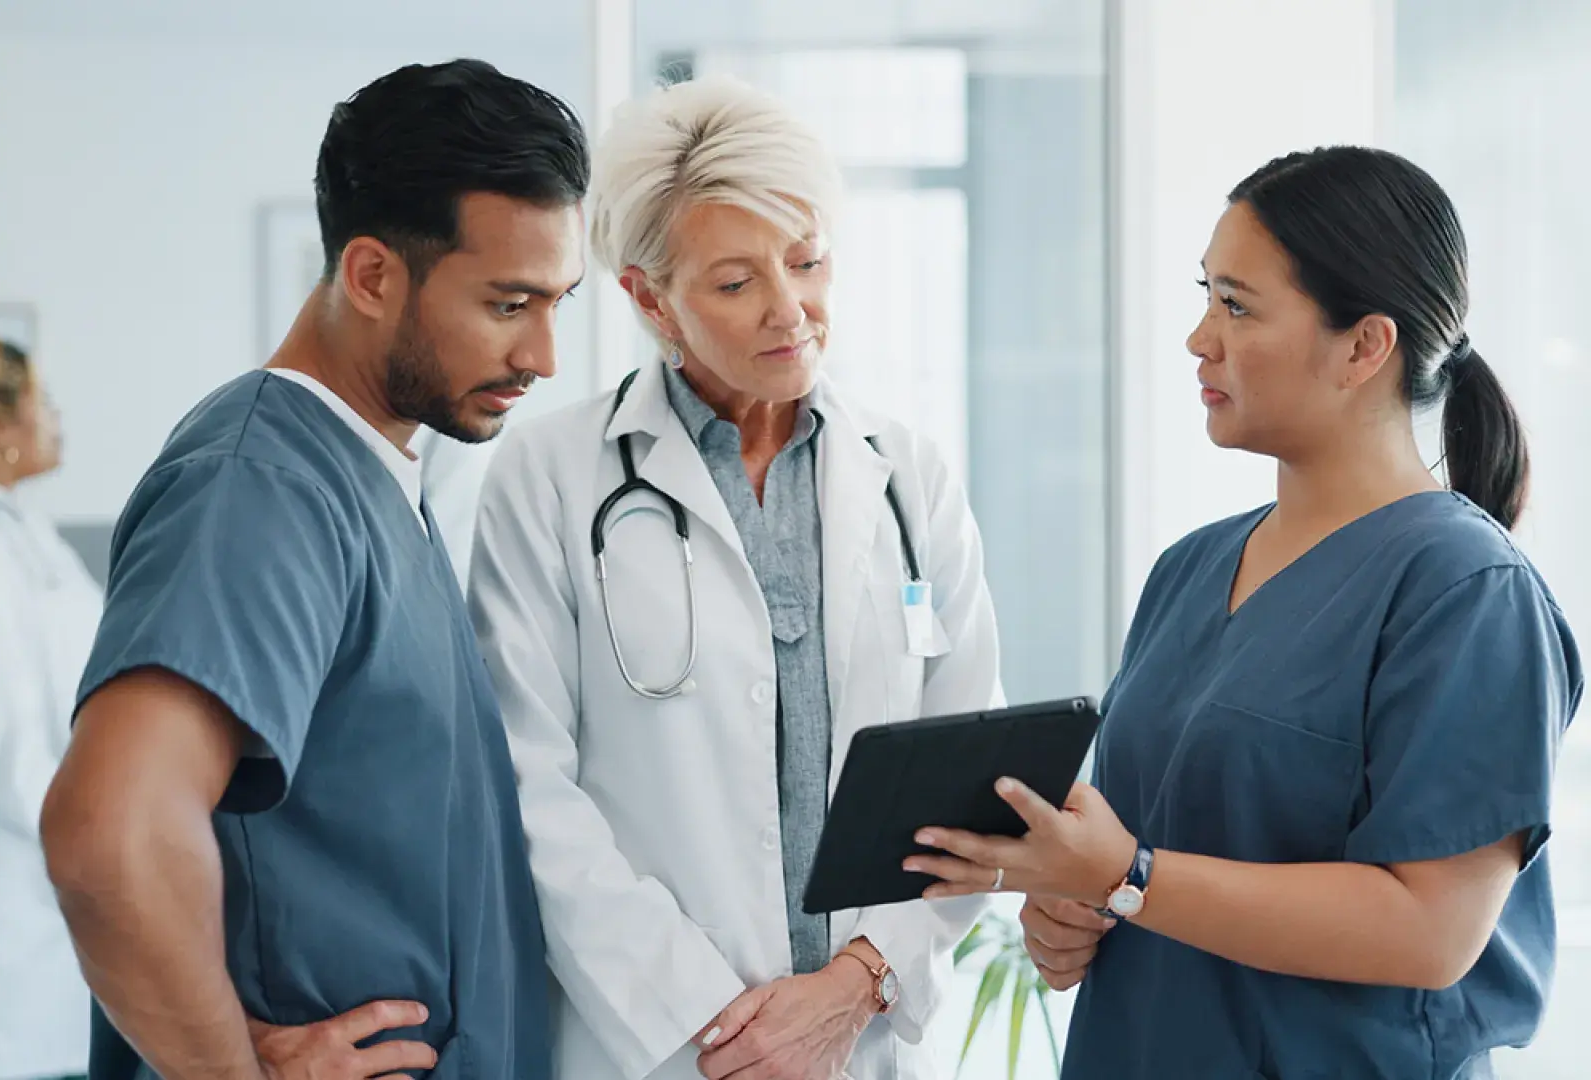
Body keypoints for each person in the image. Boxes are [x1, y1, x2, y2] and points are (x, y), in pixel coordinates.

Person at [905, 146, 1583, 1078]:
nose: (1199, 338)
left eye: (1237, 305)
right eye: (1205, 297)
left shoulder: (1465, 592)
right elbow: (1153, 857)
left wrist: (1130, 879)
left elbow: (1432, 931)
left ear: (1364, 346)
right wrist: (1074, 909)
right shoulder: (1190, 569)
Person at [36, 59, 589, 1080]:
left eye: (558, 301)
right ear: (374, 275)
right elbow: (109, 832)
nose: (545, 354)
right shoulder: (261, 488)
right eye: (509, 304)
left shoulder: (377, 478)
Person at [466, 76, 1005, 1080]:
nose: (789, 309)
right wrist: (725, 1029)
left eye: (807, 262)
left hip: (861, 1033)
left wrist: (860, 981)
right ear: (646, 297)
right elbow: (528, 790)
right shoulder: (549, 477)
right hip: (663, 1047)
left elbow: (970, 770)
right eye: (734, 282)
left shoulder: (909, 475)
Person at [0, 338, 100, 1080]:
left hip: (54, 888)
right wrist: (93, 842)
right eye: (43, 403)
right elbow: (6, 746)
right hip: (17, 884)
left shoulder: (24, 533)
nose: (57, 419)